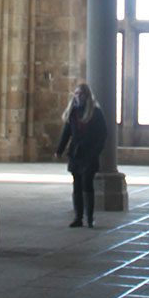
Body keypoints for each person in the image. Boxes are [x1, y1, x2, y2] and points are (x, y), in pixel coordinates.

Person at [55, 83, 107, 228]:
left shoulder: (96, 113)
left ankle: (89, 217)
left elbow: (102, 134)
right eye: (76, 94)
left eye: (81, 94)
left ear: (87, 96)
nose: (78, 97)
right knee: (76, 186)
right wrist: (59, 150)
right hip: (76, 154)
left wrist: (96, 151)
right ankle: (78, 217)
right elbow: (67, 133)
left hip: (89, 154)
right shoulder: (73, 113)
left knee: (87, 185)